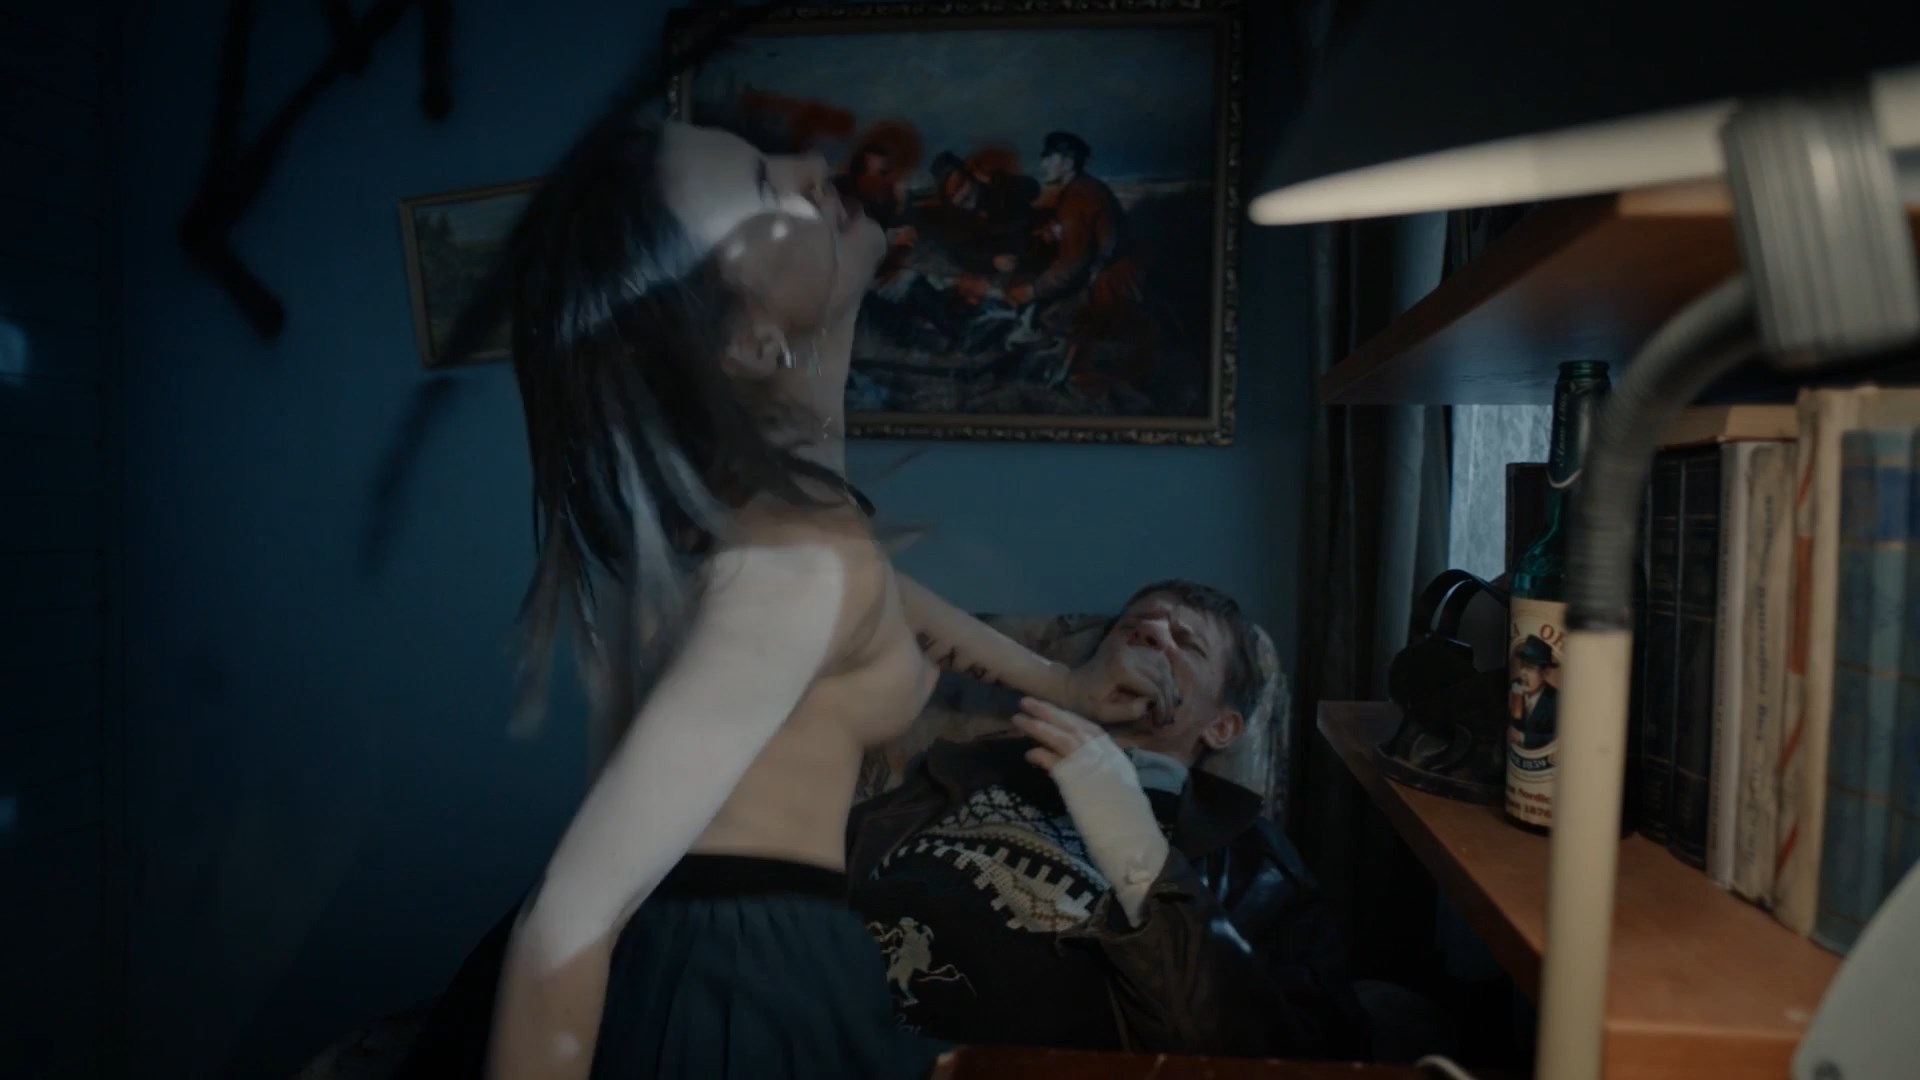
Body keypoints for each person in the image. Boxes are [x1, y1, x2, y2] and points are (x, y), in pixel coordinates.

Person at [395, 115, 1179, 1080]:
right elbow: (567, 920)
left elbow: (863, 591)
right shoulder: (793, 561)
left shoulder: (764, 521)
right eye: (768, 188)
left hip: (748, 966)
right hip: (732, 995)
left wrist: (1060, 682)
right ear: (750, 339)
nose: (813, 167)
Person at [847, 581, 1373, 1061]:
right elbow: (851, 588)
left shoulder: (1257, 868)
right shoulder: (959, 772)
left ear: (1222, 727)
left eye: (1187, 643)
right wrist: (1063, 686)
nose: (1150, 634)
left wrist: (1130, 839)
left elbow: (1291, 1056)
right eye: (1132, 627)